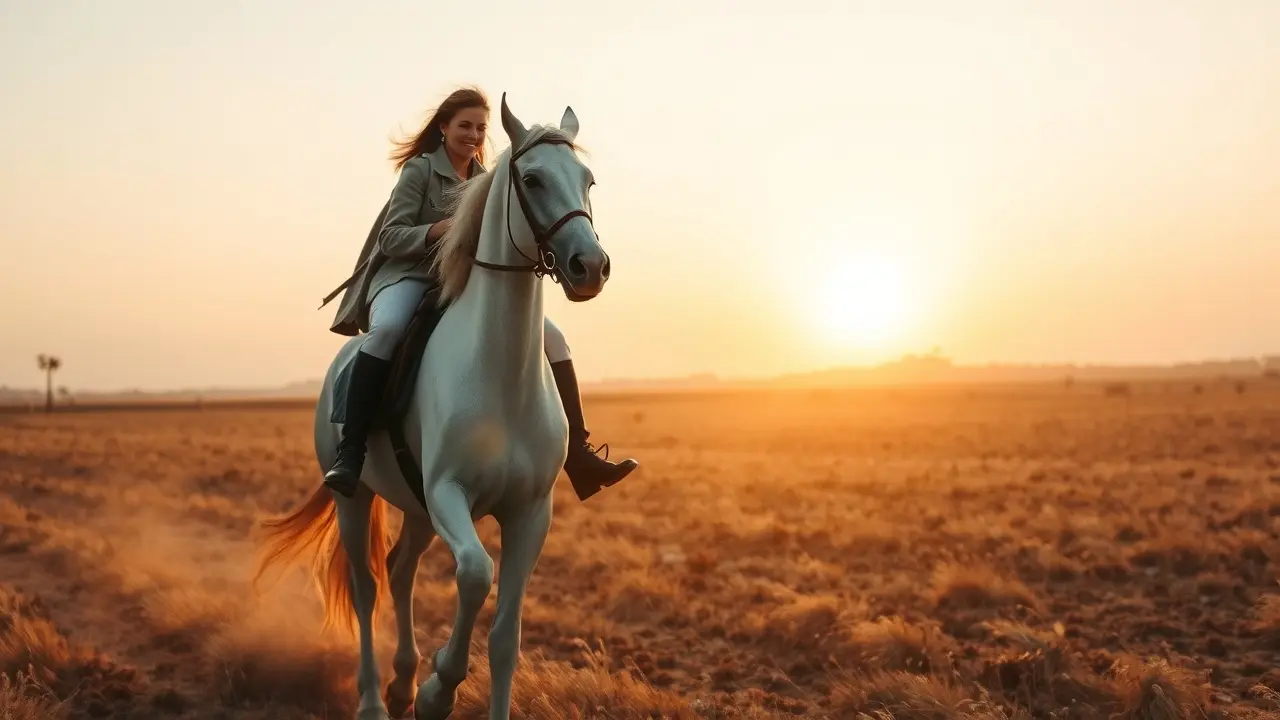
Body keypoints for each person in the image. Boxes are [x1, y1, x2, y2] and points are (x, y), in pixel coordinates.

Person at [319, 86, 637, 502]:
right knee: (387, 330)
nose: (472, 134)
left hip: (462, 281)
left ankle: (578, 453)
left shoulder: (489, 180)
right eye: (464, 125)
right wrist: (438, 231)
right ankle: (351, 451)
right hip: (408, 277)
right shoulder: (420, 170)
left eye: (480, 127)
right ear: (444, 127)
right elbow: (391, 237)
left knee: (555, 339)